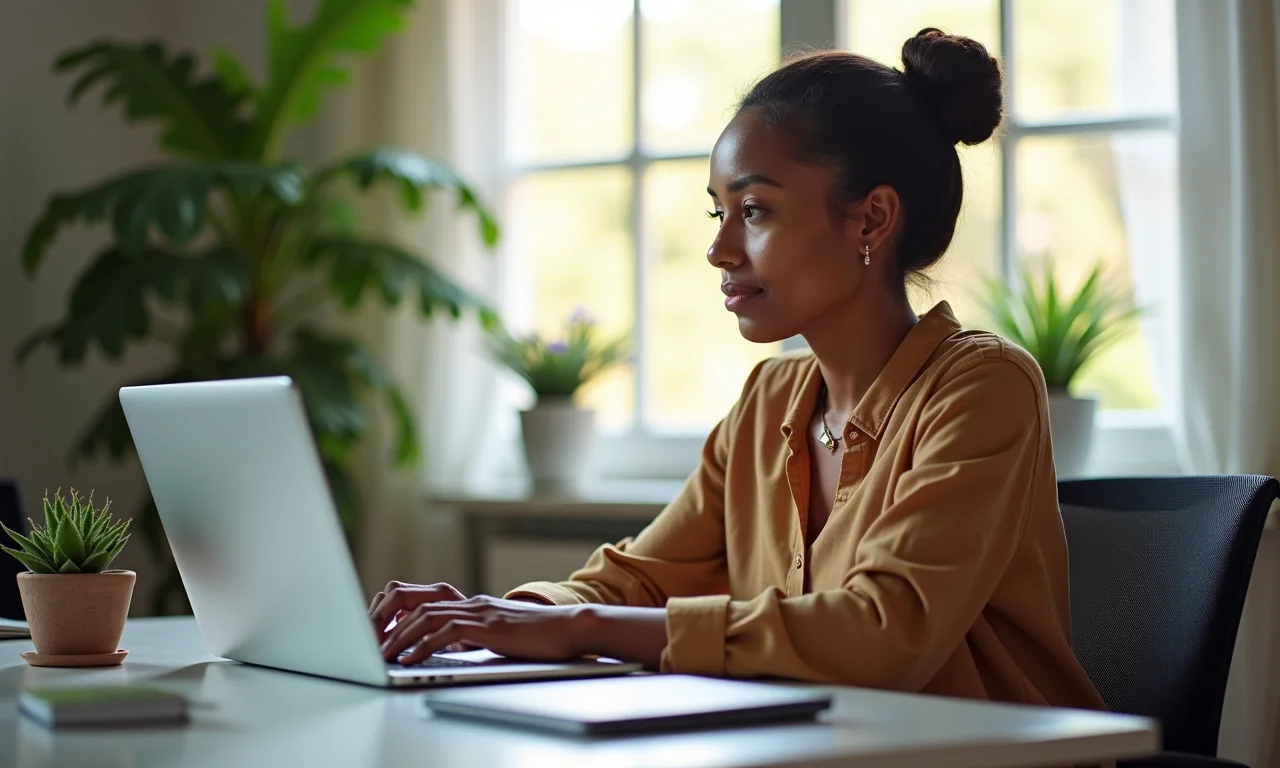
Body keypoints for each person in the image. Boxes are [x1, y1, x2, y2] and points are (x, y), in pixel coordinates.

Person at [369, 28, 1106, 710]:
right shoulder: (769, 399)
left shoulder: (982, 386)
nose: (721, 251)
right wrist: (493, 618)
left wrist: (579, 630)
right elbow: (641, 577)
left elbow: (881, 636)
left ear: (872, 220)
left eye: (753, 209)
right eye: (717, 212)